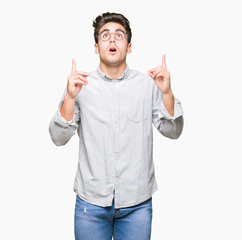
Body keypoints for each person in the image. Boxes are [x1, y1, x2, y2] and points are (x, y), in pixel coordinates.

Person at [49, 12, 184, 240]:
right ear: (96, 47)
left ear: (129, 47)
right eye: (105, 35)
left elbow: (174, 131)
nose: (112, 40)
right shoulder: (80, 85)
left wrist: (168, 93)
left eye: (119, 35)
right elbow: (57, 138)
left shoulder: (148, 85)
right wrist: (70, 99)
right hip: (90, 204)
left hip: (137, 204)